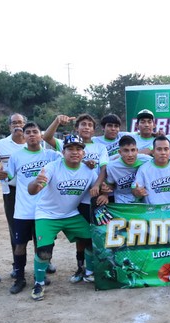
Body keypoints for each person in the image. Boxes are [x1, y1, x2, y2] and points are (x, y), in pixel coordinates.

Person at [27, 134, 102, 301]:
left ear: (83, 153)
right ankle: (39, 283)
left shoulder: (88, 171)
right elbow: (33, 190)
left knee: (92, 240)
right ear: (63, 152)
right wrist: (36, 183)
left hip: (70, 214)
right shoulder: (52, 167)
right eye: (70, 149)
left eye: (78, 149)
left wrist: (104, 191)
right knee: (44, 252)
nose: (75, 152)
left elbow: (98, 188)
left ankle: (89, 272)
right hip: (47, 214)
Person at [43, 113, 106, 284]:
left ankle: (94, 269)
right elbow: (46, 137)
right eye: (83, 124)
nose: (86, 127)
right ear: (76, 128)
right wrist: (57, 121)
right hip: (78, 199)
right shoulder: (68, 143)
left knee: (94, 235)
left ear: (94, 130)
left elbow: (103, 169)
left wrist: (98, 187)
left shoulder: (100, 147)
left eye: (90, 125)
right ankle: (80, 267)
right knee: (81, 238)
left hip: (95, 197)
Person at [5, 122, 61, 294]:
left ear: (41, 135)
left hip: (44, 210)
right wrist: (2, 174)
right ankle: (19, 278)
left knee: (41, 245)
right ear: (23, 136)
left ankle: (40, 275)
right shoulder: (16, 156)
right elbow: (8, 176)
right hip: (23, 210)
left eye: (35, 132)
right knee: (19, 245)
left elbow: (71, 159)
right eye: (27, 132)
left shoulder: (51, 155)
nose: (31, 135)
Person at [0, 113, 30, 277]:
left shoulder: (34, 142)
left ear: (26, 124)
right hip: (11, 192)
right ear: (9, 126)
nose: (17, 125)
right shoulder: (1, 145)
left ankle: (44, 262)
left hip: (34, 191)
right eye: (14, 123)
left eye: (20, 122)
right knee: (15, 228)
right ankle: (17, 265)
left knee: (38, 226)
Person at [132, 135, 170, 204]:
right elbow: (136, 191)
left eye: (166, 149)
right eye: (159, 149)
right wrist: (137, 192)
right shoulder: (144, 169)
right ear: (153, 152)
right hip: (153, 209)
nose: (163, 152)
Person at [105, 135, 152, 204]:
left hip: (143, 199)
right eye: (126, 151)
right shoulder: (112, 166)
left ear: (137, 151)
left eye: (133, 150)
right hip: (122, 200)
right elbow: (111, 184)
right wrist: (105, 192)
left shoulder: (147, 160)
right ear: (120, 152)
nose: (130, 155)